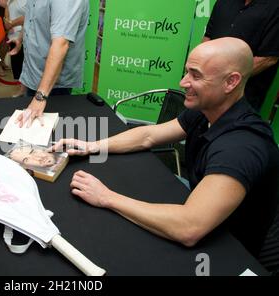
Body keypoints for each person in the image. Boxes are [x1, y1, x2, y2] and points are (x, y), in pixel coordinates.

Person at [52, 37, 279, 258]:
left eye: (196, 75)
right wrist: (92, 146)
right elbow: (149, 135)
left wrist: (106, 197)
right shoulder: (207, 109)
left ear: (231, 82)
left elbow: (189, 228)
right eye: (187, 71)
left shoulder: (240, 147)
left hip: (230, 249)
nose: (183, 82)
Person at [9, 0, 89, 127]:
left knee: (47, 135)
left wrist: (40, 96)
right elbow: (32, 18)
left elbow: (61, 44)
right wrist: (20, 39)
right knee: (29, 129)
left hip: (52, 85)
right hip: (34, 74)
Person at [203, 0, 279, 112]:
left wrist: (223, 79)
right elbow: (207, 37)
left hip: (242, 97)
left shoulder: (275, 7)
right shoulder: (223, 2)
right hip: (206, 88)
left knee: (228, 129)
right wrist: (202, 72)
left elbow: (268, 58)